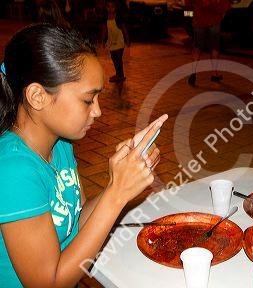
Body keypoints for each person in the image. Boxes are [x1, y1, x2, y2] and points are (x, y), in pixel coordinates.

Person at [0, 23, 167, 287]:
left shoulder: (60, 145)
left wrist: (119, 182)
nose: (98, 111)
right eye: (88, 100)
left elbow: (77, 222)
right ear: (37, 96)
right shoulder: (13, 171)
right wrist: (117, 195)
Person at [186, 0, 231, 86]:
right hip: (214, 19)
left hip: (199, 19)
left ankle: (193, 73)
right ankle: (215, 73)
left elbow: (188, 2)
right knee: (214, 47)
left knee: (197, 47)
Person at [103, 0, 130, 83]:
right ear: (106, 8)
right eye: (108, 7)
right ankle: (118, 74)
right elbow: (105, 30)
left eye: (112, 7)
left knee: (118, 59)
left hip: (119, 41)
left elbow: (124, 29)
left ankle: (120, 75)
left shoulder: (118, 17)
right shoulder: (106, 17)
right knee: (114, 58)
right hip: (111, 42)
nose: (110, 9)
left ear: (115, 8)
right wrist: (103, 40)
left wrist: (127, 39)